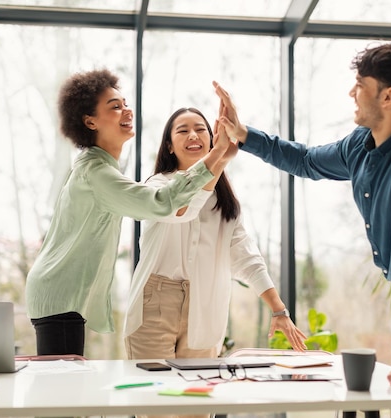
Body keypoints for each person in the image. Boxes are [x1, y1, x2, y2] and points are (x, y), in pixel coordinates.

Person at [214, 42, 391, 418]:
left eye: (360, 84)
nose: (352, 92)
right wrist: (243, 133)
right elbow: (308, 160)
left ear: (389, 96)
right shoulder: (363, 144)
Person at [25, 69, 237, 357]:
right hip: (59, 294)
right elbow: (163, 202)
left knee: (65, 382)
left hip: (62, 294)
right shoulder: (96, 173)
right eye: (115, 106)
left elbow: (178, 207)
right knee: (61, 388)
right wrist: (217, 152)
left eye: (125, 103)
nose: (127, 110)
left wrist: (220, 155)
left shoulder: (99, 168)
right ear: (90, 121)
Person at [123, 107, 307, 366]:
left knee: (198, 400)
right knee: (155, 400)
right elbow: (181, 208)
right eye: (183, 130)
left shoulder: (226, 203)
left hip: (206, 303)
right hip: (155, 301)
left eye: (200, 129)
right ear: (170, 146)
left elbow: (247, 258)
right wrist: (219, 159)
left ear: (211, 139)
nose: (193, 135)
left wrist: (279, 310)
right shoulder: (157, 187)